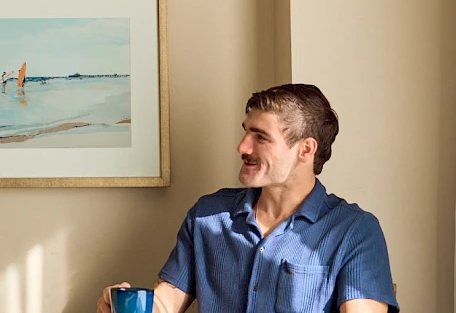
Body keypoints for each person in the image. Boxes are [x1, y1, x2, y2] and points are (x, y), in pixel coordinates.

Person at [97, 84, 399, 313]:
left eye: (261, 136)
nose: (242, 146)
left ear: (305, 150)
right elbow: (166, 303)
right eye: (245, 133)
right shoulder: (208, 216)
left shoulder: (355, 231)